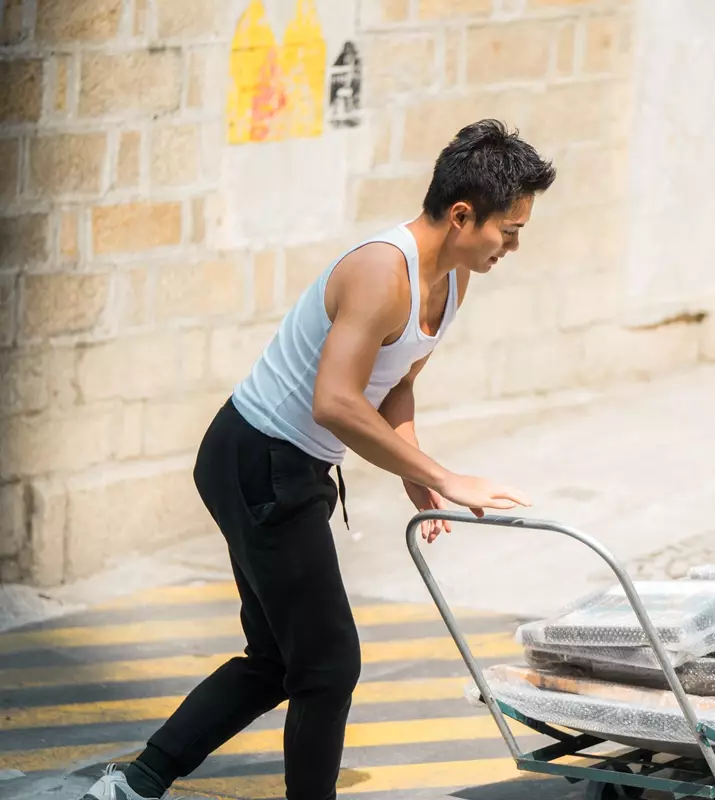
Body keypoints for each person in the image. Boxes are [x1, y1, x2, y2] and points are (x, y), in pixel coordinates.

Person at [80, 119, 557, 800]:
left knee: (283, 659)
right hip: (259, 458)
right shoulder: (379, 272)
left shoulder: (453, 279)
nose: (512, 247)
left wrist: (412, 467)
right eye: (507, 231)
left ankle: (135, 785)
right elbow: (334, 402)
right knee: (327, 665)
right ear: (461, 216)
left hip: (284, 464)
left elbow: (397, 381)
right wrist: (443, 476)